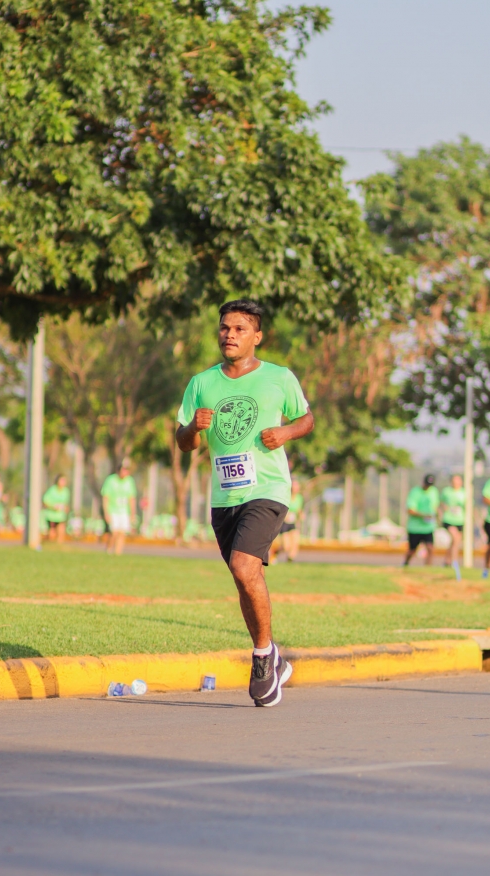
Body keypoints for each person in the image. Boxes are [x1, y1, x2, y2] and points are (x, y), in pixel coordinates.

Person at [177, 299, 314, 708]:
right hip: (225, 496)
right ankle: (272, 654)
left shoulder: (279, 377)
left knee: (243, 565)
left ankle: (261, 657)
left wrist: (285, 434)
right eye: (225, 328)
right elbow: (184, 443)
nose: (230, 335)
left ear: (257, 336)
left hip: (268, 489)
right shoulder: (201, 383)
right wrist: (193, 427)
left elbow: (306, 419)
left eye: (239, 329)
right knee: (243, 576)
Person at [101, 459, 137, 556]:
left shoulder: (130, 481)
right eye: (124, 469)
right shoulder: (111, 480)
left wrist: (132, 513)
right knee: (114, 532)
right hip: (113, 510)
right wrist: (106, 512)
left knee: (122, 533)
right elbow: (106, 497)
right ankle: (109, 550)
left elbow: (132, 498)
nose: (126, 472)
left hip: (124, 511)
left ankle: (118, 554)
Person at [402, 475, 440, 567]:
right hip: (415, 528)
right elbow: (410, 510)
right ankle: (405, 563)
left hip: (428, 527)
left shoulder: (434, 491)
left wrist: (438, 514)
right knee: (412, 550)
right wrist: (424, 515)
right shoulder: (415, 492)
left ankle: (428, 568)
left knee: (430, 548)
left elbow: (435, 506)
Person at [269, 478, 304, 564]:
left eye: (297, 486)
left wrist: (301, 515)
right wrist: (285, 515)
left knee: (295, 543)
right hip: (284, 523)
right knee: (286, 547)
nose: (296, 488)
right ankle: (275, 553)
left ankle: (290, 560)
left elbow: (298, 509)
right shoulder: (286, 496)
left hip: (293, 523)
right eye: (294, 486)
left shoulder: (299, 498)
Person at [440, 473, 465, 580]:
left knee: (455, 542)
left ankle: (447, 560)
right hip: (449, 519)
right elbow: (441, 502)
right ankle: (455, 562)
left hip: (460, 520)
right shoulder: (446, 491)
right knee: (455, 538)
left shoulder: (464, 493)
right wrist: (444, 508)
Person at [43, 474, 70, 544]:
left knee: (61, 533)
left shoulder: (66, 491)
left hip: (60, 516)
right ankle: (47, 544)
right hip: (51, 516)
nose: (63, 482)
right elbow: (45, 501)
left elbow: (66, 503)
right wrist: (53, 507)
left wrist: (66, 508)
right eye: (62, 480)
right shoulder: (52, 490)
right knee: (51, 535)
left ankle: (59, 547)